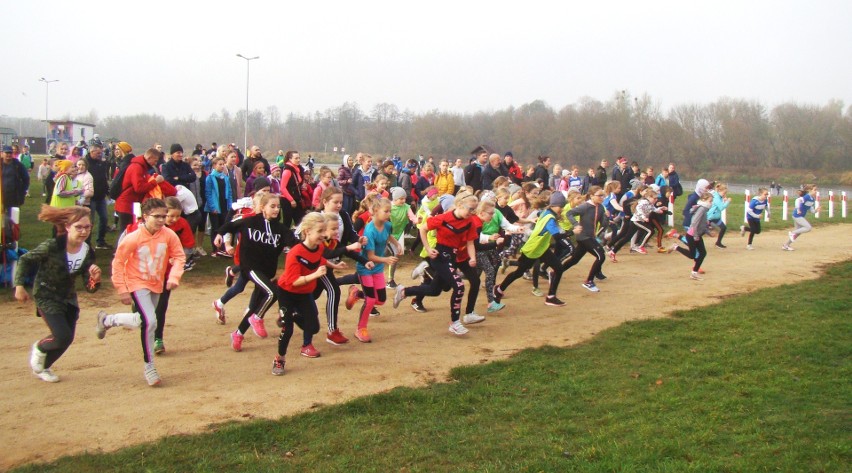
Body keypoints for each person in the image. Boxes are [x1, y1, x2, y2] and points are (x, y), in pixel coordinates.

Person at [96, 198, 186, 386]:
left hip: (156, 283)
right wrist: (122, 289)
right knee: (150, 321)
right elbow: (118, 262)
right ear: (145, 217)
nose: (162, 220)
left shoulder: (168, 235)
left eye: (164, 216)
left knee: (143, 321)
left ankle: (108, 320)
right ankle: (149, 365)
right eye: (157, 217)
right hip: (137, 283)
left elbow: (179, 256)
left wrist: (174, 277)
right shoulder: (133, 238)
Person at [15, 205, 101, 383]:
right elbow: (25, 259)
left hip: (68, 297)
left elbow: (89, 287)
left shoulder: (87, 252)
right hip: (46, 294)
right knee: (61, 335)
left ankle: (43, 367)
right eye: (79, 227)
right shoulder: (52, 246)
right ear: (68, 227)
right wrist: (19, 286)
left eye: (87, 227)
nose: (84, 231)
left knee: (67, 338)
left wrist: (95, 279)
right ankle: (39, 348)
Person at [216, 192, 297, 352]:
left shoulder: (281, 229)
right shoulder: (250, 221)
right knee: (273, 293)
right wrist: (219, 234)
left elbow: (294, 243)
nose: (276, 210)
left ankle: (238, 334)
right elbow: (229, 225)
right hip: (250, 267)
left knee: (255, 305)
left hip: (267, 272)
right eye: (272, 206)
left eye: (278, 207)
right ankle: (257, 318)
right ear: (262, 207)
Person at [393, 193, 480, 335]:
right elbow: (423, 228)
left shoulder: (469, 222)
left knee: (435, 290)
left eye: (474, 210)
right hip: (440, 255)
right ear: (459, 205)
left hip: (452, 256)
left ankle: (404, 291)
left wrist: (472, 258)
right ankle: (455, 322)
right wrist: (427, 248)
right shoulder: (444, 218)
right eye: (470, 209)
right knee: (459, 286)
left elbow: (470, 242)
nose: (472, 213)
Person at [272, 213, 332, 375]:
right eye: (320, 231)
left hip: (305, 293)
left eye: (324, 230)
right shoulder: (295, 253)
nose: (324, 235)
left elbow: (318, 260)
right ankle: (279, 359)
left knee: (313, 327)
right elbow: (293, 281)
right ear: (307, 231)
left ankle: (288, 315)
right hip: (287, 292)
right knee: (288, 329)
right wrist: (315, 275)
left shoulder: (319, 247)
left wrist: (335, 265)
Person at [494, 192, 570, 307]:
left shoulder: (547, 212)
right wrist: (572, 232)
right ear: (554, 205)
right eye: (561, 207)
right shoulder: (550, 217)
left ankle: (551, 297)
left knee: (558, 268)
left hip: (541, 248)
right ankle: (499, 289)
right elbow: (557, 237)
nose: (562, 209)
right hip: (534, 248)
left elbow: (540, 214)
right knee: (519, 272)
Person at [352, 198, 401, 342]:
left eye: (389, 211)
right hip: (366, 267)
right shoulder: (369, 230)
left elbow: (388, 235)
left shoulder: (387, 225)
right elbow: (370, 256)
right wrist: (386, 259)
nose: (388, 214)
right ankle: (361, 329)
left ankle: (356, 293)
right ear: (374, 212)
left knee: (380, 300)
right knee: (371, 300)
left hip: (378, 268)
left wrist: (396, 243)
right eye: (386, 211)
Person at [114, 148, 177, 233]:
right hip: (127, 204)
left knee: (134, 228)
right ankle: (123, 246)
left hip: (134, 203)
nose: (155, 163)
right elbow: (139, 188)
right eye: (155, 161)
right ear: (149, 157)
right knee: (126, 231)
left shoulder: (141, 166)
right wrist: (155, 182)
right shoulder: (137, 167)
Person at [562, 186, 608, 292]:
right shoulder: (585, 207)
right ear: (591, 196)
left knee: (574, 260)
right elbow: (569, 213)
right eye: (599, 195)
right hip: (583, 236)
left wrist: (606, 218)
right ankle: (589, 281)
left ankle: (556, 272)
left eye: (603, 195)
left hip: (590, 237)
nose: (602, 198)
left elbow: (603, 224)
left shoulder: (600, 207)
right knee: (601, 256)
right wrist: (576, 224)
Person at [670, 193, 713, 280]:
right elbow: (694, 222)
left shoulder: (704, 209)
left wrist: (708, 232)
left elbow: (702, 224)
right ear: (704, 200)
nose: (711, 203)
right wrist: (696, 235)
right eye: (710, 201)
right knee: (693, 255)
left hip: (695, 234)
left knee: (702, 253)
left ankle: (694, 273)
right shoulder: (702, 209)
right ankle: (676, 247)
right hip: (693, 235)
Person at [84, 143, 113, 250]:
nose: (100, 155)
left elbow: (103, 179)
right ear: (91, 152)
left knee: (104, 218)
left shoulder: (101, 164)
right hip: (90, 198)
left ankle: (100, 241)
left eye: (101, 153)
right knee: (89, 222)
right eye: (98, 153)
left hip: (101, 197)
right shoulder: (86, 164)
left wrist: (107, 192)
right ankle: (86, 244)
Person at [205, 157, 235, 255]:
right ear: (214, 166)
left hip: (224, 205)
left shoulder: (225, 177)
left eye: (223, 164)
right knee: (215, 227)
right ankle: (215, 249)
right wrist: (212, 207)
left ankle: (223, 247)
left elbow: (229, 192)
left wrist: (230, 205)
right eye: (220, 164)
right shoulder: (210, 177)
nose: (222, 166)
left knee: (224, 226)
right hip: (215, 206)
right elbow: (208, 193)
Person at [783, 185, 817, 251]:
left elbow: (812, 210)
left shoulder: (812, 199)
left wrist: (816, 210)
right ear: (809, 190)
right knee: (808, 228)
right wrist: (798, 209)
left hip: (800, 216)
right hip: (797, 215)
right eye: (815, 190)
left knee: (798, 233)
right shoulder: (807, 197)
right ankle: (792, 233)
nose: (816, 191)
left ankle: (786, 245)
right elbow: (797, 201)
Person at [280, 150, 306, 228]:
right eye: (296, 158)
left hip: (296, 197)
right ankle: (284, 238)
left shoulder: (297, 170)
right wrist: (291, 200)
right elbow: (283, 188)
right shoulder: (287, 171)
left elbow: (295, 183)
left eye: (299, 158)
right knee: (287, 222)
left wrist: (300, 187)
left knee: (300, 220)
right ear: (290, 159)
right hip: (287, 199)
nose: (298, 160)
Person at [1, 145, 30, 213]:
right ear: (2, 153)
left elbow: (26, 178)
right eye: (6, 153)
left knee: (13, 219)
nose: (8, 155)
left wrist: (23, 191)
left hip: (14, 196)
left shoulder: (18, 165)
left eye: (10, 153)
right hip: (1, 195)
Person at [707, 183, 732, 249]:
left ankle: (718, 242)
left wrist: (724, 200)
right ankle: (692, 241)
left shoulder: (718, 196)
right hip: (710, 217)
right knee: (702, 231)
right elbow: (721, 207)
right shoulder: (717, 197)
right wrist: (728, 202)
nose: (724, 195)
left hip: (716, 217)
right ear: (719, 191)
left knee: (723, 228)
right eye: (724, 193)